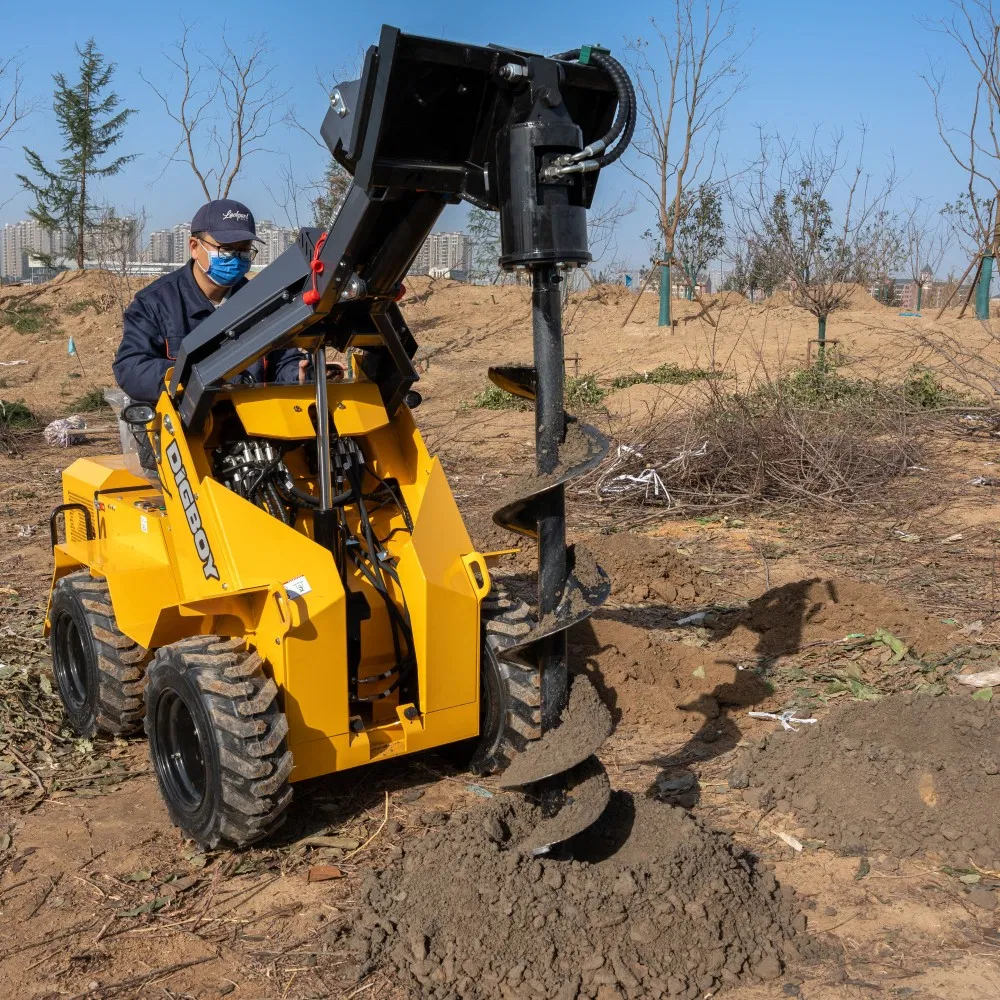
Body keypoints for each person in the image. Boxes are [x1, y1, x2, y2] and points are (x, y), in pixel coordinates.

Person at [112, 198, 307, 403]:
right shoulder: (155, 303)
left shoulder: (264, 303)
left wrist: (299, 373)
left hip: (254, 422)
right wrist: (195, 377)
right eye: (227, 249)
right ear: (195, 247)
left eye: (244, 249)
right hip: (183, 424)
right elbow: (132, 368)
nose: (237, 258)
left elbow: (283, 361)